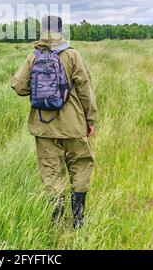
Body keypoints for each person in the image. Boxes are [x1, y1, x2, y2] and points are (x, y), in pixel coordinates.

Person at [10, 15, 97, 228]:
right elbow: (86, 90)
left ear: (42, 31)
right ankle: (78, 219)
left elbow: (19, 87)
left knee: (50, 171)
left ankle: (57, 219)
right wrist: (91, 119)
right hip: (74, 126)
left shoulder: (33, 56)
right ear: (60, 31)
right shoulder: (72, 55)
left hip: (44, 127)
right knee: (80, 165)